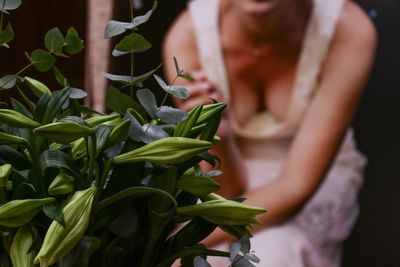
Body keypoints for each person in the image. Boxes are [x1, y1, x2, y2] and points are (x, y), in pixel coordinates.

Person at [163, 0, 376, 266]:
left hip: (306, 179)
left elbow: (295, 187)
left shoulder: (348, 30)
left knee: (272, 255)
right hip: (222, 186)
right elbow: (225, 187)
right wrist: (221, 136)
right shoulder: (187, 38)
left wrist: (177, 245)